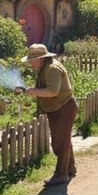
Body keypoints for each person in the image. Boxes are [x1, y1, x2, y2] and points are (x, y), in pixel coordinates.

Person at [14, 43, 77, 186]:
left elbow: (53, 91)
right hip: (58, 108)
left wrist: (33, 91)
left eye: (31, 60)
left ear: (40, 59)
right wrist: (27, 90)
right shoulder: (46, 66)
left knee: (59, 143)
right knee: (64, 140)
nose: (30, 63)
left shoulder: (52, 69)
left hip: (63, 108)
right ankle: (69, 169)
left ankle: (61, 175)